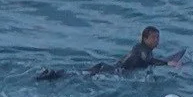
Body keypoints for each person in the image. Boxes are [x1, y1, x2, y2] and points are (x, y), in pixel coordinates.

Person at [36, 26, 181, 81]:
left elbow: (149, 59)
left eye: (158, 37)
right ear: (145, 38)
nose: (157, 40)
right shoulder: (143, 50)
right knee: (78, 76)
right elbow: (147, 60)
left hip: (108, 67)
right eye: (154, 37)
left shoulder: (140, 48)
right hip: (112, 72)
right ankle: (53, 75)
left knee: (77, 74)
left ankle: (54, 74)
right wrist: (168, 63)